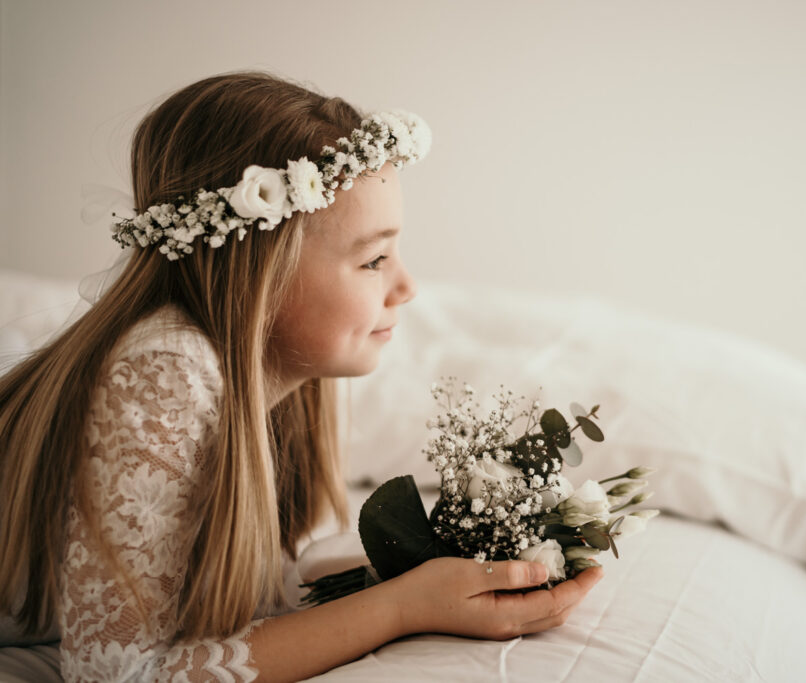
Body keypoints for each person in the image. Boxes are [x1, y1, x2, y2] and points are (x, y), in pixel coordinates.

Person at [0, 71, 603, 682]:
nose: (407, 286)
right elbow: (115, 677)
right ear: (259, 271)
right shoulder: (166, 371)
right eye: (373, 259)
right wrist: (401, 608)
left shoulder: (283, 379)